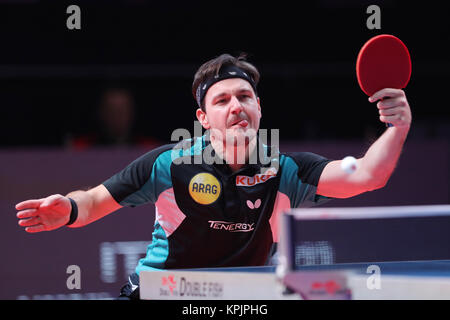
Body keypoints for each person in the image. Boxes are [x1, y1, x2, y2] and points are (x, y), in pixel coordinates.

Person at [15, 53, 412, 299]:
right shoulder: (169, 165)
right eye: (222, 100)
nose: (236, 106)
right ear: (203, 119)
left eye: (244, 97)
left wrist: (396, 128)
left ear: (259, 107)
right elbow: (93, 202)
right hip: (162, 295)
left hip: (242, 300)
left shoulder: (287, 171)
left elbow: (367, 175)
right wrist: (66, 208)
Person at [66, 87, 159, 149]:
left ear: (132, 113)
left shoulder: (148, 149)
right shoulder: (83, 148)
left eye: (122, 111)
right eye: (111, 111)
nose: (117, 117)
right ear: (101, 113)